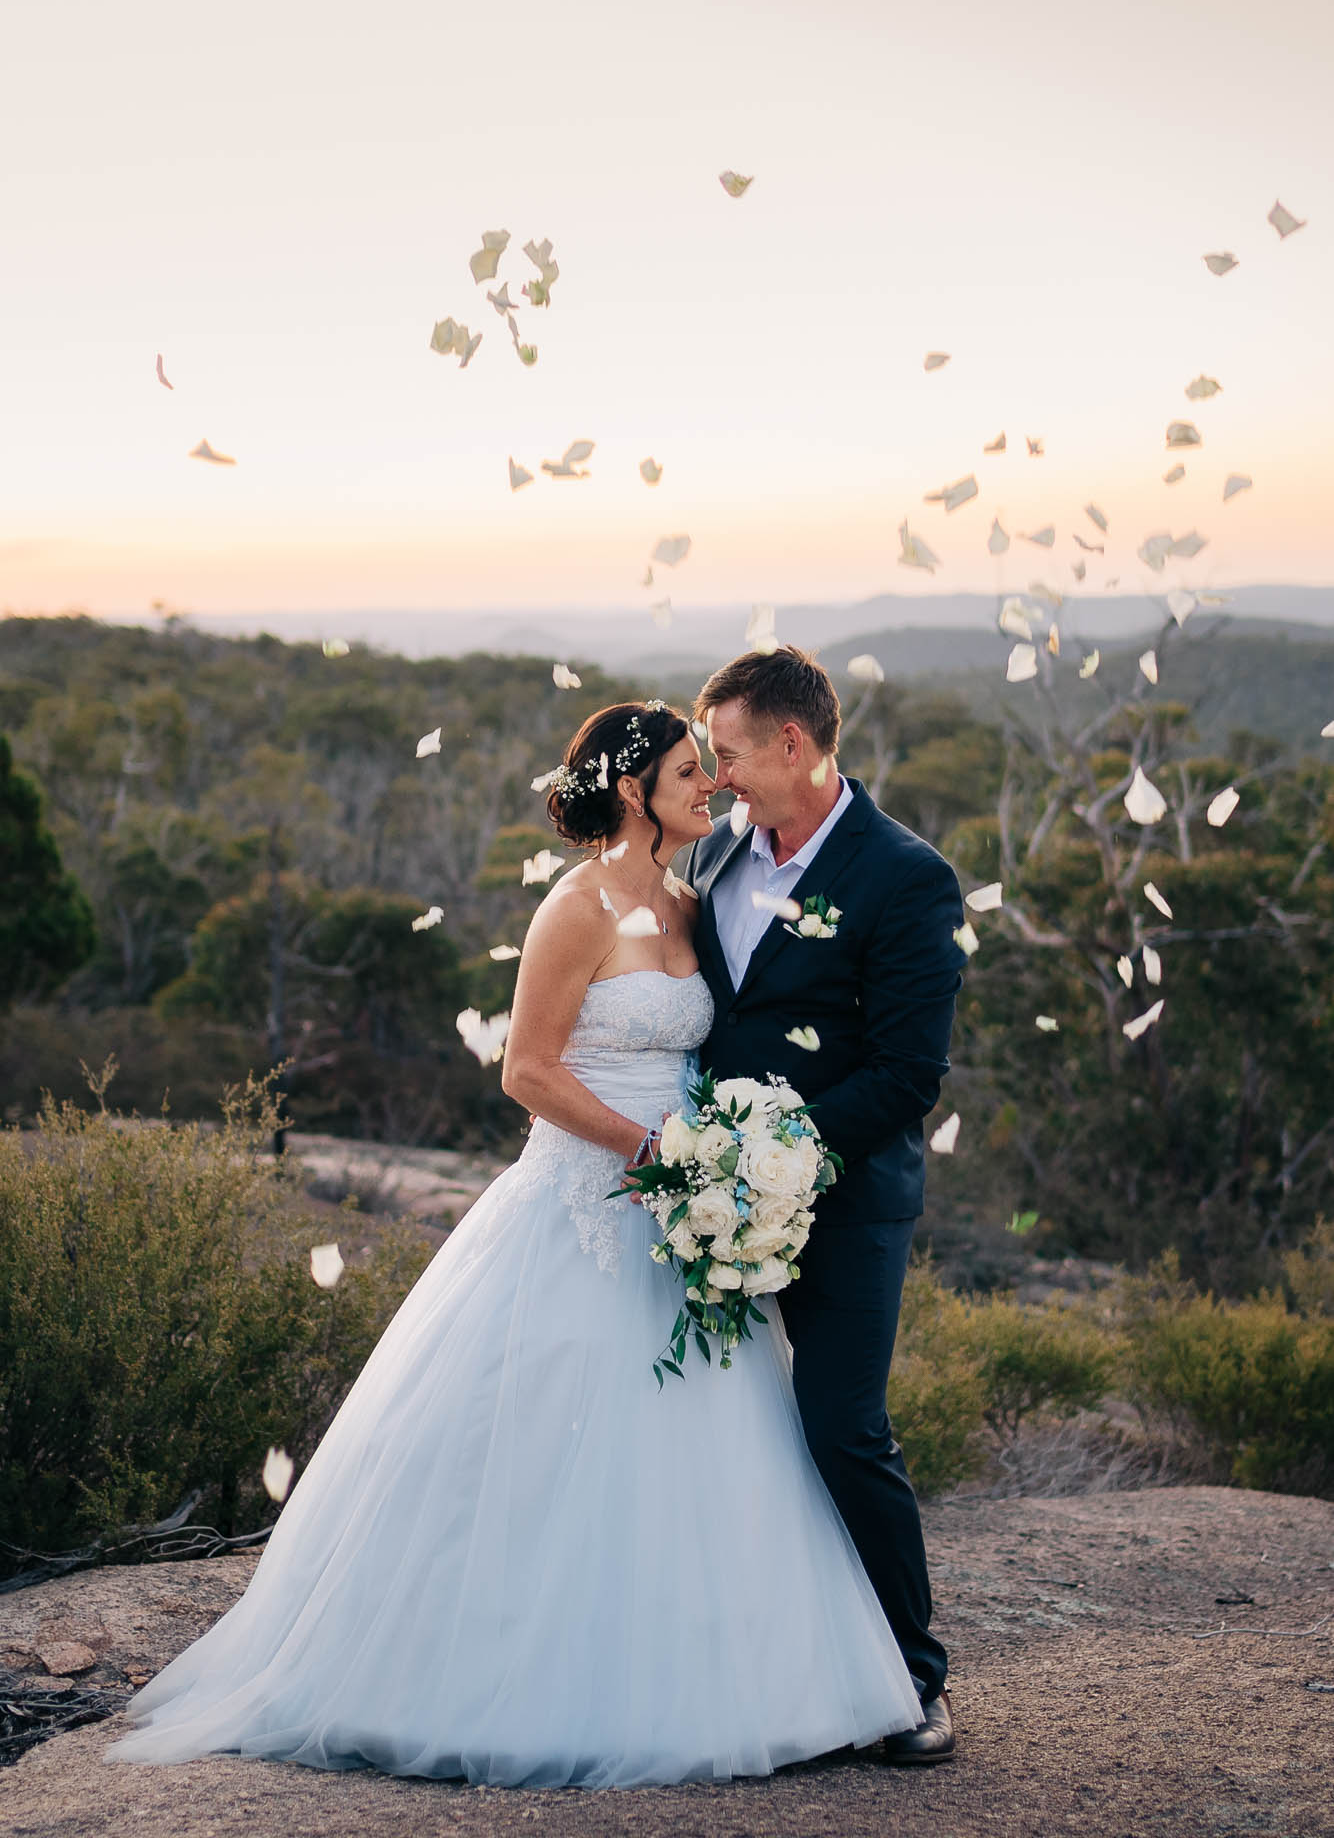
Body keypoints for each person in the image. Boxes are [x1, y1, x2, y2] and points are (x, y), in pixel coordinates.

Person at [104, 700, 923, 1789]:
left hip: (680, 1220)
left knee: (701, 1454)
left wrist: (717, 1166)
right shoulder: (574, 907)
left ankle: (728, 1671)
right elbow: (526, 1069)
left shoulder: (694, 895)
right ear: (633, 790)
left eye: (709, 767)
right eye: (689, 770)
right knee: (541, 1441)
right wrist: (649, 1148)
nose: (709, 788)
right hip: (583, 1199)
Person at [685, 646, 966, 1765]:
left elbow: (907, 1074)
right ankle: (753, 1663)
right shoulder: (709, 858)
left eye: (730, 752)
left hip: (846, 1204)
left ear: (792, 745)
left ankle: (910, 1675)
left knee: (840, 1425)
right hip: (708, 1202)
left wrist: (776, 1152)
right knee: (718, 1430)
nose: (717, 777)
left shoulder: (908, 877)